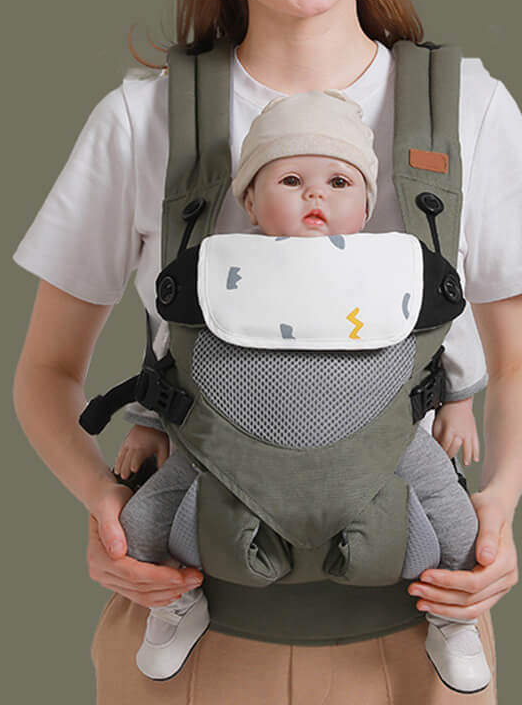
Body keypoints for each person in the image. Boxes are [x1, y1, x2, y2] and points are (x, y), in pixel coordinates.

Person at [12, 0, 522, 704]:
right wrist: (109, 510)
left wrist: (501, 508)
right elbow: (44, 373)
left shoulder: (466, 110)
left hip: (419, 631)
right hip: (190, 632)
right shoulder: (142, 123)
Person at [117, 89, 491, 692]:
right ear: (250, 198)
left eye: (339, 182)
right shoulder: (217, 267)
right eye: (291, 178)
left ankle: (452, 616)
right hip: (218, 444)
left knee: (464, 534)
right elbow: (169, 351)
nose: (316, 194)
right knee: (136, 528)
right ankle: (175, 605)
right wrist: (146, 421)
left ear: (367, 205)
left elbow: (448, 326)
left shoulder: (393, 267)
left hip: (386, 440)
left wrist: (462, 401)